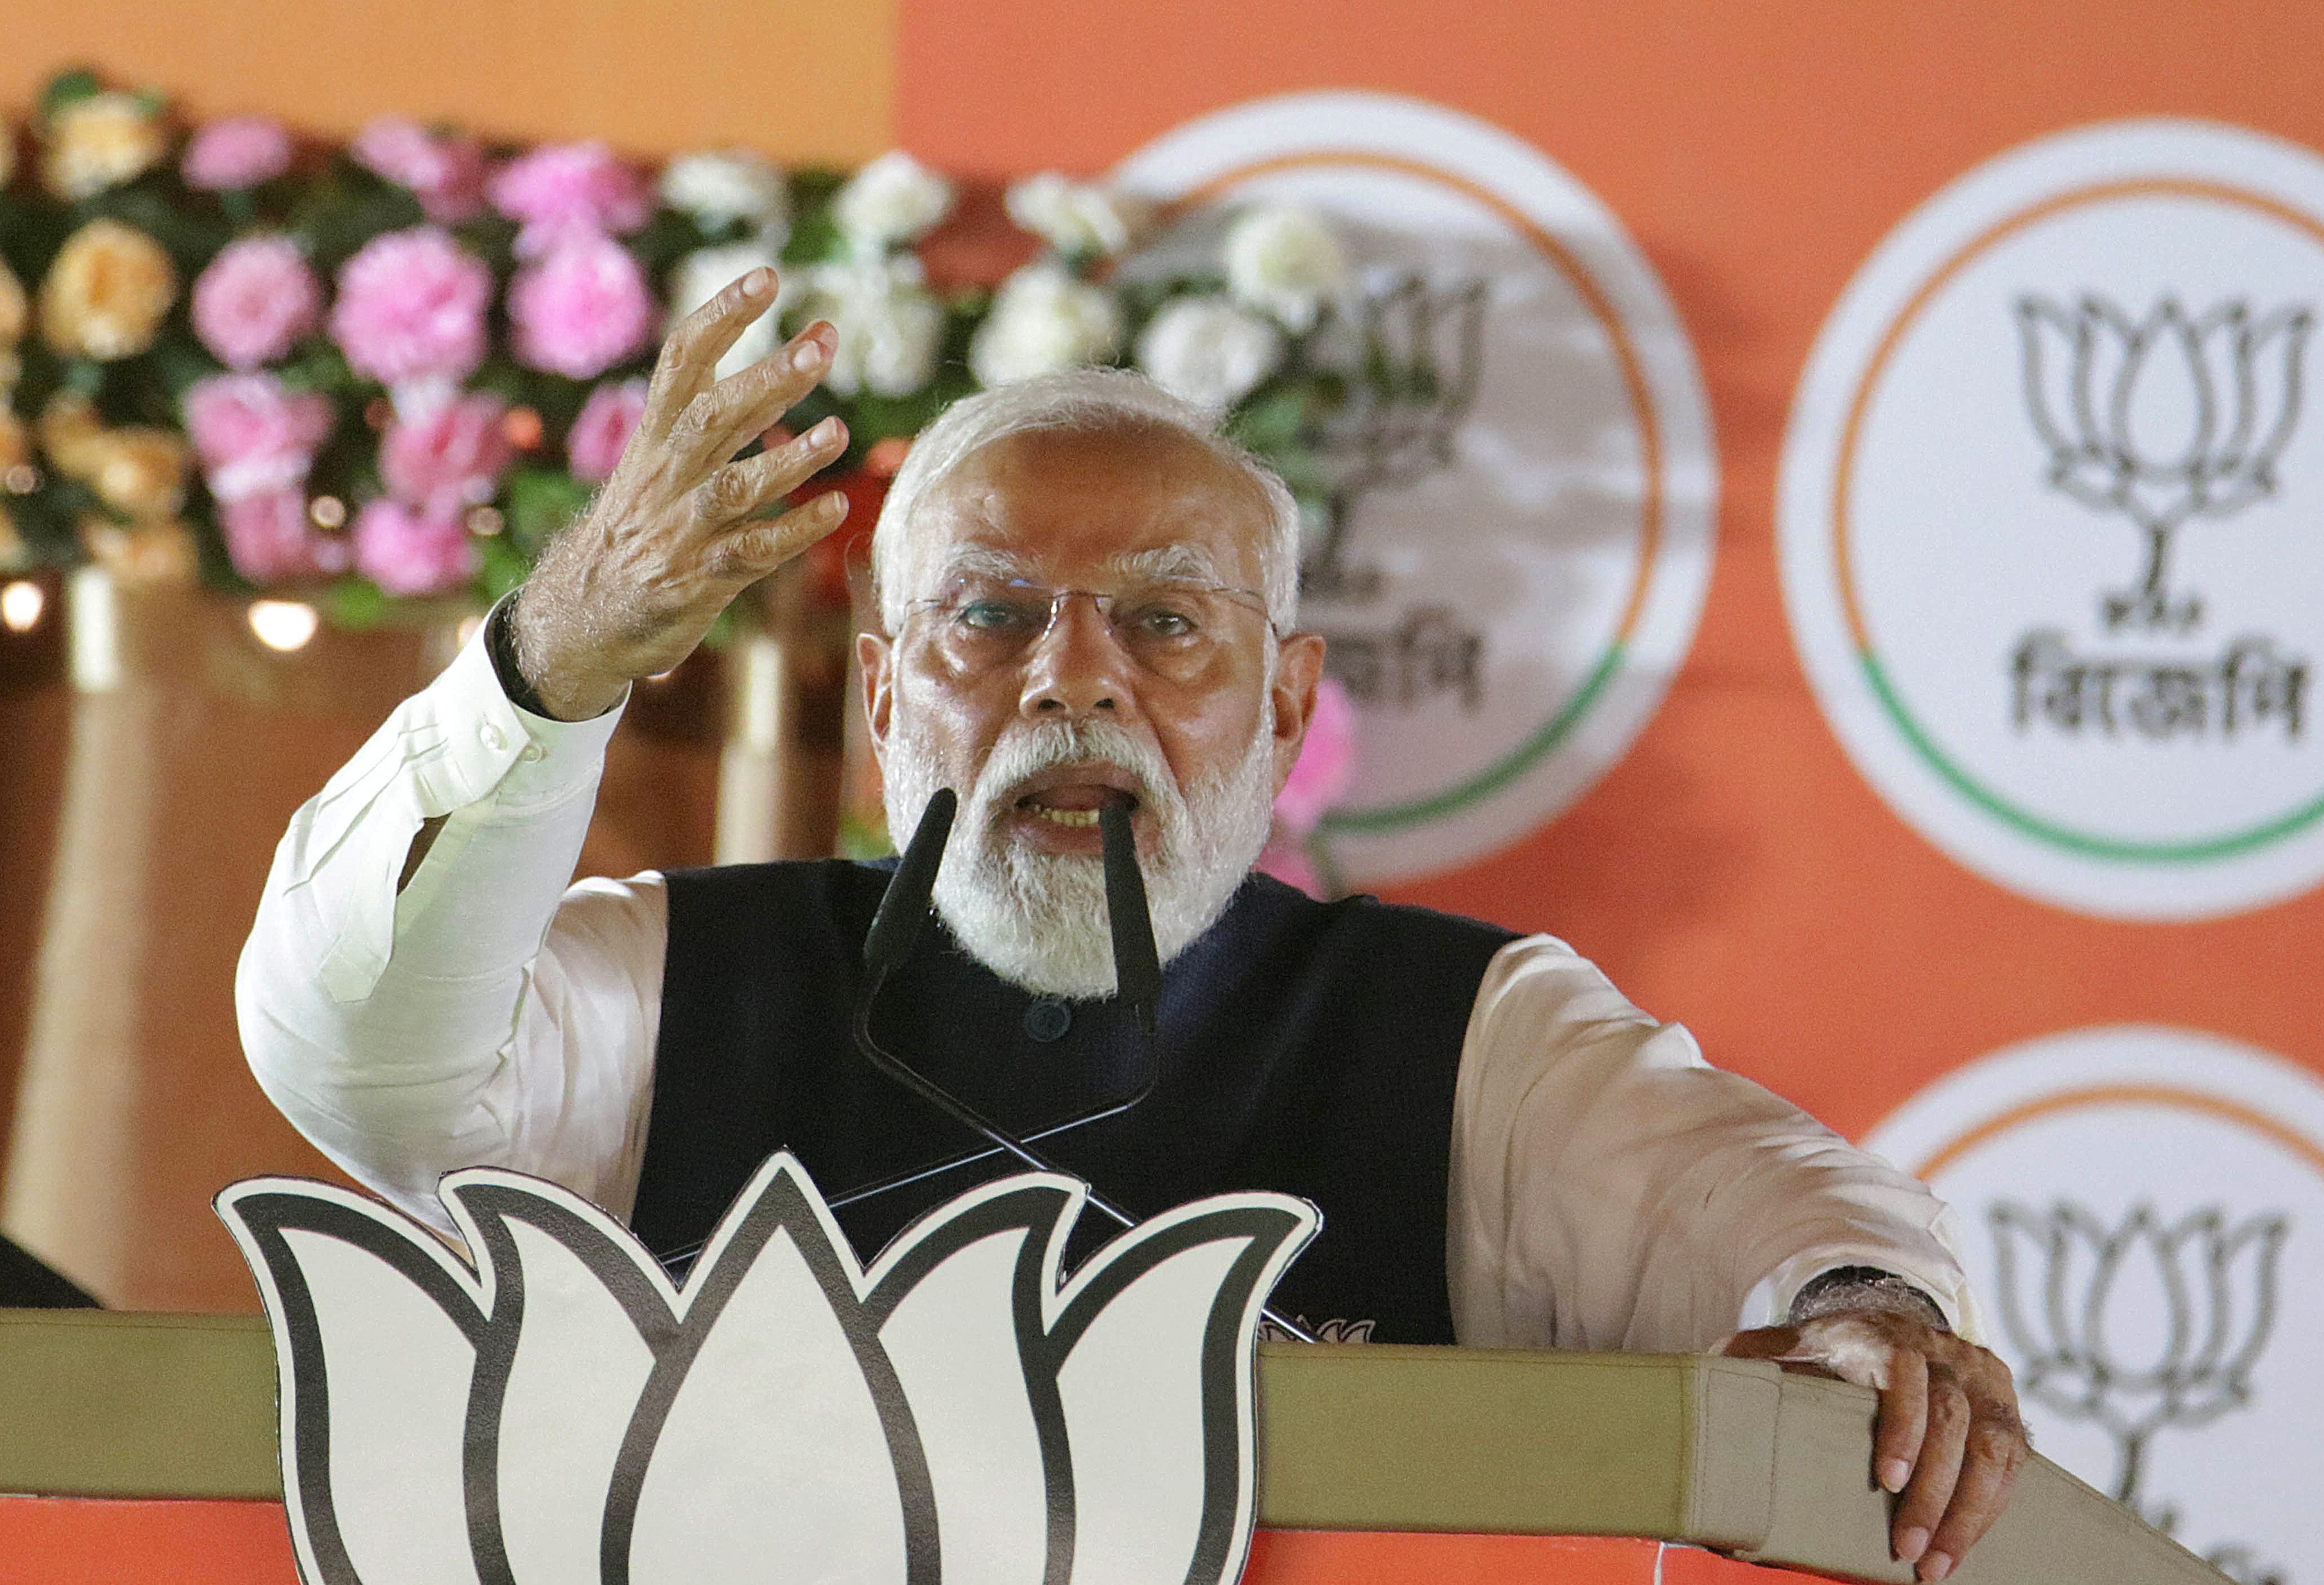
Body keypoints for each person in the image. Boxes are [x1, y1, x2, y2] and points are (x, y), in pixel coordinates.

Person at [240, 268, 2025, 1578]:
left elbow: (1780, 1217)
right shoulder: (672, 981)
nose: (1070, 682)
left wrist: (1866, 1309)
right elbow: (366, 1066)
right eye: (990, 617)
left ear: (1286, 701)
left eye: (1166, 625)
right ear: (879, 697)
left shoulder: (1463, 1031)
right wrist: (542, 666)